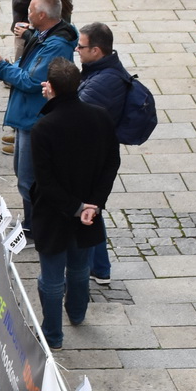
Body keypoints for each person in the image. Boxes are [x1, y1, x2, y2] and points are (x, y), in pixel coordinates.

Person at [29, 59, 121, 348]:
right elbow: (111, 164)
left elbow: (46, 182)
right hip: (89, 214)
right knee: (81, 268)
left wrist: (76, 208)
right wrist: (92, 205)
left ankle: (53, 335)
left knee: (52, 279)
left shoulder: (44, 128)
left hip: (54, 214)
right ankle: (77, 313)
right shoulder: (101, 117)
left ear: (51, 87)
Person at [0, 0, 74, 231]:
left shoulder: (55, 44)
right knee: (22, 173)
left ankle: (38, 225)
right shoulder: (45, 35)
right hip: (27, 116)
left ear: (43, 15)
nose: (27, 14)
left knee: (28, 178)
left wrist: (0, 67)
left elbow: (31, 81)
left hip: (34, 119)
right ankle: (33, 221)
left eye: (31, 10)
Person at [73, 21, 130, 284]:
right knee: (92, 210)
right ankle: (100, 268)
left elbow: (78, 116)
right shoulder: (100, 71)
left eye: (81, 46)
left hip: (91, 157)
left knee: (89, 210)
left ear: (96, 50)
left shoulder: (103, 82)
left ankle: (95, 268)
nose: (77, 49)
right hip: (94, 152)